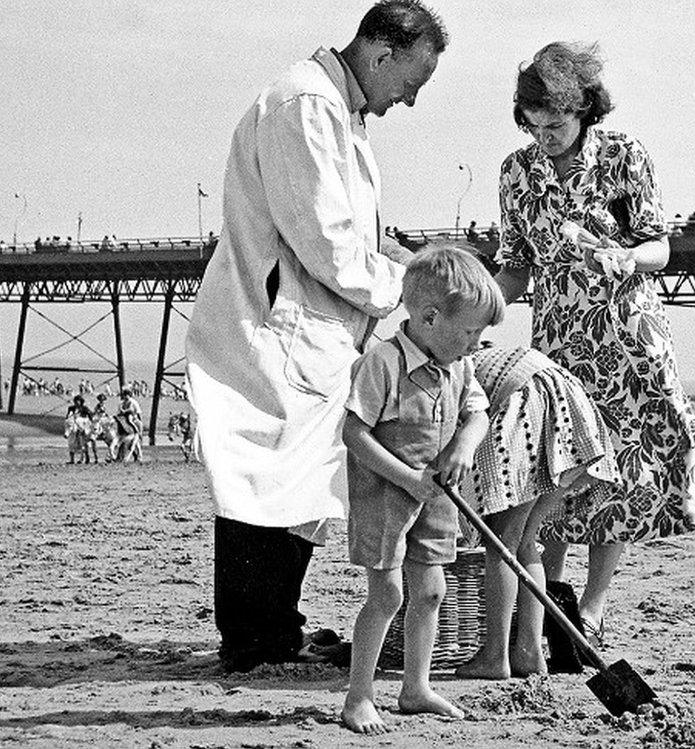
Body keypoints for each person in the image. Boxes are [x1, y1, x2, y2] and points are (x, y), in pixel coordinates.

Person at [184, 0, 448, 674]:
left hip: (314, 329)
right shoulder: (304, 104)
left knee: (298, 480)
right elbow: (326, 243)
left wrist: (414, 261)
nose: (412, 101)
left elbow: (351, 233)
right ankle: (254, 641)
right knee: (266, 479)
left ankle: (276, 627)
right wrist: (407, 290)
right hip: (280, 325)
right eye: (412, 83)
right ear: (382, 53)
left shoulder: (336, 108)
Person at [493, 42, 695, 646]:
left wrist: (624, 256)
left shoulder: (623, 156)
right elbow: (515, 268)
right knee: (557, 468)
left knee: (620, 469)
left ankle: (592, 607)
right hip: (560, 341)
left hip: (626, 340)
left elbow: (658, 246)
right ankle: (548, 605)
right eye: (533, 126)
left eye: (556, 124)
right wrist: (472, 301)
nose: (545, 137)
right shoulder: (516, 172)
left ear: (585, 109)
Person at [341, 247, 503, 734]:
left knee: (430, 591)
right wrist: (409, 479)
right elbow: (354, 433)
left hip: (436, 496)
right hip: (387, 497)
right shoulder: (383, 363)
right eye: (471, 331)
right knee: (387, 596)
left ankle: (416, 688)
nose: (476, 343)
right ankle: (359, 697)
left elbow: (477, 414)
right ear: (430, 317)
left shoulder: (459, 366)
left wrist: (463, 449)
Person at [455, 344, 621, 680]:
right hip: (566, 406)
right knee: (526, 540)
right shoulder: (471, 353)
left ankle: (494, 656)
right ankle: (529, 652)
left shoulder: (446, 367)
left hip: (529, 406)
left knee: (502, 542)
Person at [65, 395, 94, 464]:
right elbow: (68, 417)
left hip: (82, 427)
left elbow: (90, 416)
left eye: (78, 401)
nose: (77, 402)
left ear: (81, 402)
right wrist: (72, 416)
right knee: (71, 443)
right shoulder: (71, 408)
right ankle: (72, 460)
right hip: (73, 427)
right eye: (75, 401)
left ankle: (85, 458)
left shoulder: (84, 408)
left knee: (83, 444)